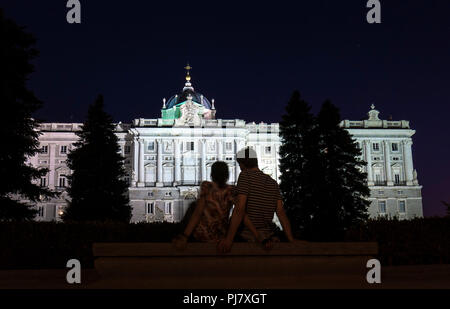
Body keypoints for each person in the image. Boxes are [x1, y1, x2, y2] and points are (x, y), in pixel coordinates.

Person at [217, 147, 300, 253]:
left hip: (248, 236)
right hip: (268, 236)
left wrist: (229, 239)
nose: (240, 167)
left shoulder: (245, 176)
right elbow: (280, 212)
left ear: (243, 163)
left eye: (239, 164)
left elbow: (240, 209)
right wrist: (291, 239)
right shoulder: (273, 182)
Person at [172, 161, 260, 249]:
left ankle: (179, 237)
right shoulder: (231, 190)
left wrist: (185, 236)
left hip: (202, 235)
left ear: (212, 175)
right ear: (227, 175)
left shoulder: (206, 186)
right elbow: (241, 213)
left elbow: (197, 213)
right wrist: (257, 235)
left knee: (193, 206)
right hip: (220, 237)